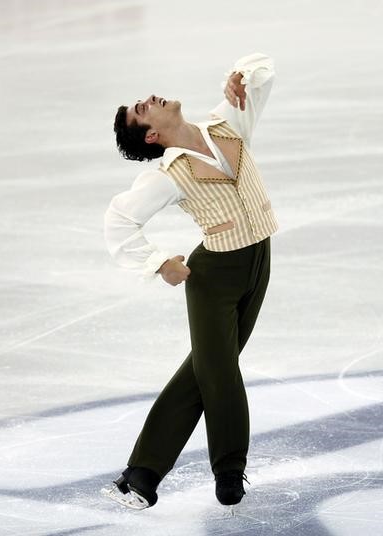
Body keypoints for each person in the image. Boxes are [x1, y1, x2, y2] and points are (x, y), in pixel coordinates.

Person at [101, 52, 278, 509]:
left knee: (201, 371)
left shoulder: (225, 123)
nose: (150, 99)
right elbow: (119, 219)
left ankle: (142, 474)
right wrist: (159, 262)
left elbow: (263, 72)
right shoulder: (168, 174)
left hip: (260, 260)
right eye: (143, 109)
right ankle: (229, 471)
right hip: (214, 277)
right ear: (153, 134)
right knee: (219, 374)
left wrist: (242, 75)